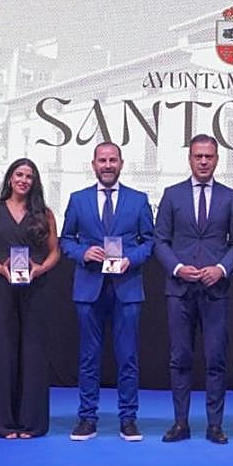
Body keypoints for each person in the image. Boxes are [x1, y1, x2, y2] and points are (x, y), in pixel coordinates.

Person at [59, 142, 154, 441]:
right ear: (94, 164)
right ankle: (87, 418)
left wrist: (131, 259)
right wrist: (84, 252)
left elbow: (150, 241)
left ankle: (129, 419)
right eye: (103, 160)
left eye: (113, 160)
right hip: (89, 287)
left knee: (128, 357)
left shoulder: (138, 200)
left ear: (122, 164)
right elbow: (65, 240)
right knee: (89, 356)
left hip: (126, 287)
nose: (108, 165)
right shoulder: (78, 199)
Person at [154, 135, 233, 444]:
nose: (203, 161)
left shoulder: (231, 197)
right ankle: (181, 423)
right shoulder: (172, 194)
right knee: (180, 358)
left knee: (216, 358)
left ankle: (214, 425)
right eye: (198, 156)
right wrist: (177, 268)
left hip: (216, 290)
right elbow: (159, 239)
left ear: (217, 159)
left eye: (209, 156)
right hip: (179, 289)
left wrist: (221, 269)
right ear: (189, 159)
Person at [0, 157, 60, 439]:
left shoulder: (44, 213)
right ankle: (4, 424)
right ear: (10, 179)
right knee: (3, 351)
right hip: (2, 287)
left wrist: (40, 269)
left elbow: (54, 252)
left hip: (36, 288)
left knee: (34, 352)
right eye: (19, 174)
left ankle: (32, 424)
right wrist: (0, 268)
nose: (24, 180)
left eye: (29, 176)